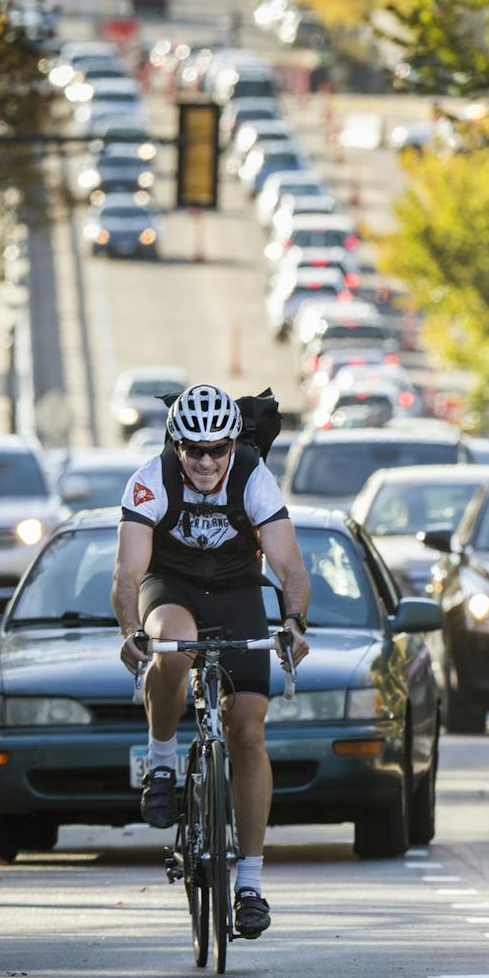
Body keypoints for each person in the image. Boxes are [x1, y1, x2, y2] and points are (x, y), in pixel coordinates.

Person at [111, 383, 310, 940]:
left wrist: (293, 622)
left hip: (237, 590)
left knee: (247, 729)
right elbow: (127, 574)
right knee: (175, 642)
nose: (204, 461)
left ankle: (249, 882)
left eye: (216, 449)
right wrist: (130, 631)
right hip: (169, 585)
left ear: (232, 446)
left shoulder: (252, 477)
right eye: (192, 449)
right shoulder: (151, 480)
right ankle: (162, 762)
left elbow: (290, 567)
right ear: (175, 443)